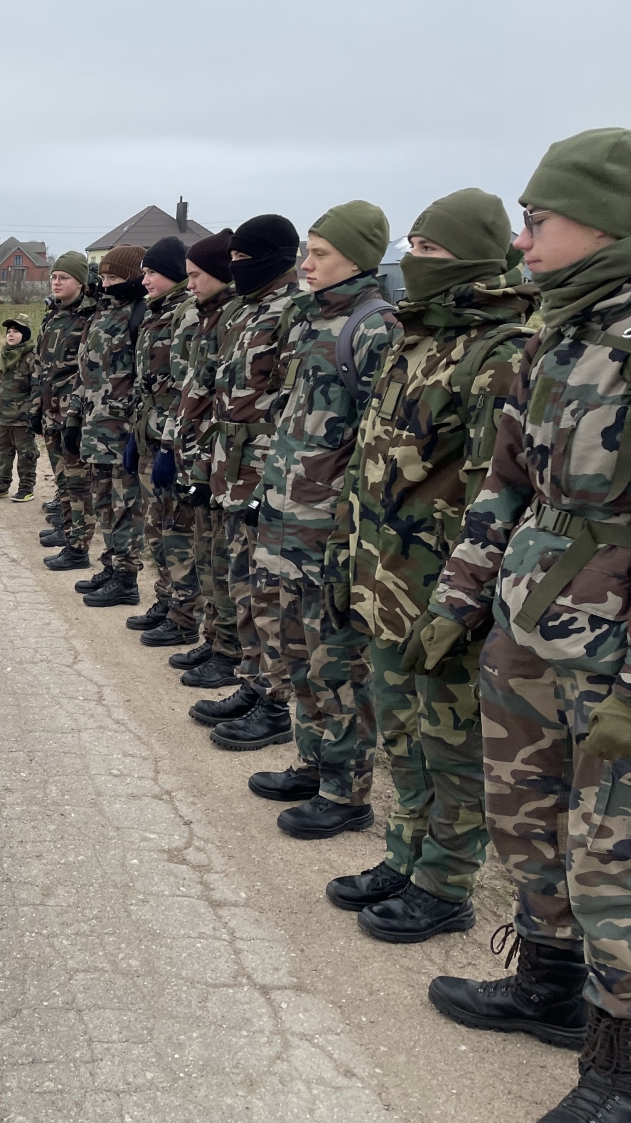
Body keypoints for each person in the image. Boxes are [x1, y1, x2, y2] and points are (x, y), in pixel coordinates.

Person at [418, 129, 631, 1123]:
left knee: (622, 866)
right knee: (527, 824)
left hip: (624, 659)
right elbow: (505, 484)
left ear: (602, 221)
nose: (522, 242)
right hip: (528, 633)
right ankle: (546, 991)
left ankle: (620, 1080)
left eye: (538, 221)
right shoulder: (555, 331)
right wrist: (457, 599)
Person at [329, 189, 538, 942]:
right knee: (400, 732)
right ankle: (405, 854)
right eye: (411, 247)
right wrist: (344, 552)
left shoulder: (500, 355)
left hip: (445, 595)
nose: (413, 262)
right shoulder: (411, 339)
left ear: (474, 259)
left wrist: (464, 604)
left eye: (431, 250)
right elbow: (369, 460)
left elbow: (498, 494)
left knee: (451, 746)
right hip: (383, 581)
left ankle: (446, 883)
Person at [233, 202, 400, 844]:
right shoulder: (311, 321)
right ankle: (311, 763)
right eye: (307, 250)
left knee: (337, 663)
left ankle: (346, 792)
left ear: (357, 258)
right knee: (296, 653)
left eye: (321, 253)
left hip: (328, 528)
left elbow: (377, 444)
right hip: (286, 517)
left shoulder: (374, 328)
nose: (306, 263)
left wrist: (351, 532)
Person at [188, 216, 299, 742]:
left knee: (268, 592)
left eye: (241, 260)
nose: (235, 269)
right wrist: (202, 465)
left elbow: (294, 408)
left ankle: (275, 704)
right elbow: (217, 395)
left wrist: (271, 481)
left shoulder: (293, 314)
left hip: (264, 471)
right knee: (243, 583)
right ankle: (253, 683)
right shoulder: (243, 311)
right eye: (230, 261)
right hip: (229, 468)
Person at [52, 245, 147, 606]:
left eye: (115, 277)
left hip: (123, 431)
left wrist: (135, 426)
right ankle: (110, 565)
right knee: (103, 502)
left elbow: (145, 379)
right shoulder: (102, 314)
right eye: (104, 277)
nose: (106, 284)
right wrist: (74, 419)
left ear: (133, 278)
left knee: (126, 507)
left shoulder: (139, 314)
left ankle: (126, 577)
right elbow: (85, 372)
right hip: (95, 428)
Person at [168, 230, 242, 688]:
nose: (190, 283)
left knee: (226, 560)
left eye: (197, 275)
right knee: (209, 554)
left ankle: (229, 651)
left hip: (228, 460)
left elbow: (222, 399)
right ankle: (215, 639)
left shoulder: (233, 318)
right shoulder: (208, 315)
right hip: (203, 455)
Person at [125, 237, 196, 642]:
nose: (145, 280)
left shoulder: (186, 315)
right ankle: (166, 600)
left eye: (152, 272)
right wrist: (136, 433)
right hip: (150, 435)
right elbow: (146, 384)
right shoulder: (158, 313)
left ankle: (185, 617)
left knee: (176, 531)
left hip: (172, 440)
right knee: (156, 528)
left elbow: (187, 386)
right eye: (144, 272)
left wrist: (170, 445)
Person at [33, 253, 96, 551]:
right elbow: (39, 363)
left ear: (80, 282)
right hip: (50, 409)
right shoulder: (53, 314)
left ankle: (78, 538)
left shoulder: (91, 316)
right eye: (54, 277)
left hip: (73, 410)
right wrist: (35, 407)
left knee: (77, 478)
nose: (56, 283)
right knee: (61, 476)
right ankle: (66, 525)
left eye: (64, 278)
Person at [0, 315, 37, 501]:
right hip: (4, 418)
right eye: (9, 331)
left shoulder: (31, 358)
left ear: (25, 335)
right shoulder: (1, 359)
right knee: (3, 454)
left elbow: (37, 389)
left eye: (16, 331)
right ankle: (1, 486)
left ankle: (26, 488)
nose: (11, 334)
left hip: (23, 419)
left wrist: (34, 414)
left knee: (26, 455)